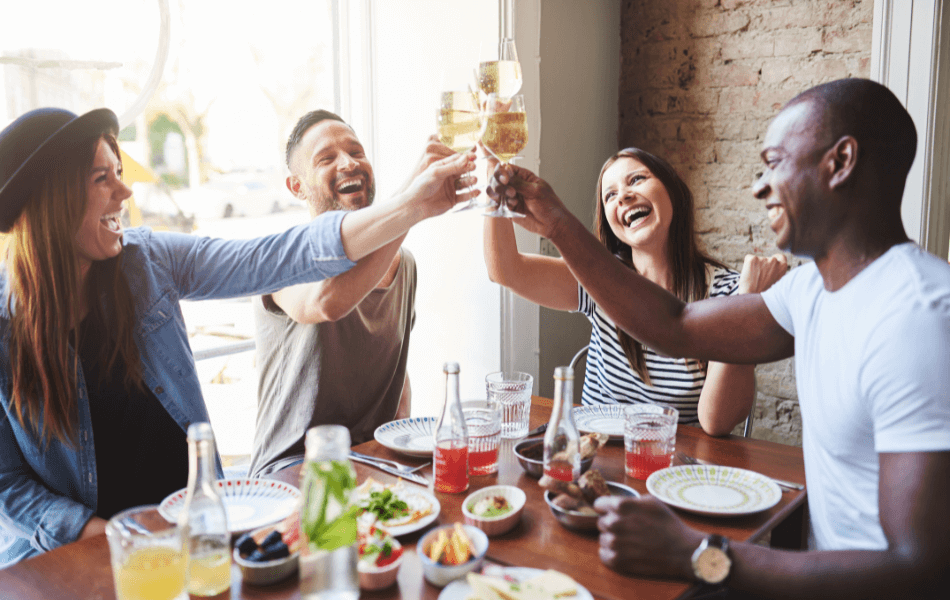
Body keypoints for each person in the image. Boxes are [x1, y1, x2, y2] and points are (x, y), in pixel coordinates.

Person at [488, 78, 950, 598]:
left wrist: (700, 556)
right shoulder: (808, 290)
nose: (759, 187)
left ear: (840, 162)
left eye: (775, 162)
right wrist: (555, 222)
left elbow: (922, 569)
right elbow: (675, 326)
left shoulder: (921, 315)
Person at [0, 106, 476, 567]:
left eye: (118, 171)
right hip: (78, 558)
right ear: (50, 201)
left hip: (197, 535)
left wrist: (410, 203)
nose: (124, 191)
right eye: (102, 178)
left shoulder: (147, 261)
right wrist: (111, 537)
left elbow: (273, 257)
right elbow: (6, 485)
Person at [483, 148, 787, 435]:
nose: (624, 196)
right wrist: (493, 191)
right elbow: (505, 270)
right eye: (610, 195)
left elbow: (715, 422)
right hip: (596, 456)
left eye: (637, 179)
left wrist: (747, 300)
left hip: (674, 469)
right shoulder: (598, 278)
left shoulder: (730, 291)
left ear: (674, 193)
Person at [248, 110, 453, 476]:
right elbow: (326, 301)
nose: (348, 163)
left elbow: (394, 372)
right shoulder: (282, 255)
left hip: (371, 459)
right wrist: (412, 204)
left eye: (357, 153)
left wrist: (401, 452)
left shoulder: (403, 264)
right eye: (326, 158)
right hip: (294, 468)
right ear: (297, 187)